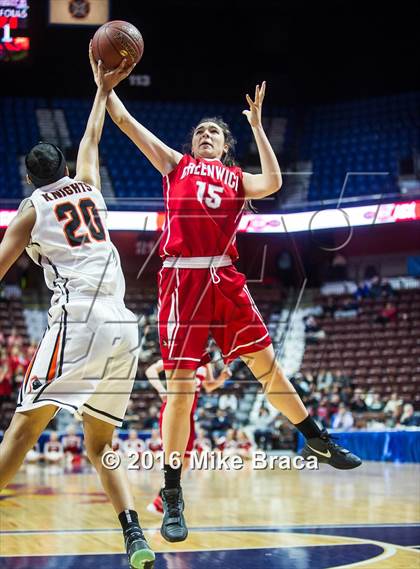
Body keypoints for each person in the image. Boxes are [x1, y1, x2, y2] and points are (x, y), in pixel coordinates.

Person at [96, 69, 362, 543]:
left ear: (224, 147)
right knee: (181, 391)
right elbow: (124, 121)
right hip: (182, 280)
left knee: (270, 369)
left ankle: (318, 439)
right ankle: (173, 495)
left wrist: (258, 126)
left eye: (213, 132)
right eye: (199, 131)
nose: (204, 135)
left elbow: (275, 182)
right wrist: (105, 82)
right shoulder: (174, 163)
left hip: (226, 277)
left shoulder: (238, 178)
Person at [0, 49, 155, 568]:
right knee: (100, 441)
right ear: (65, 169)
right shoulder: (89, 187)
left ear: (29, 180)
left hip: (80, 324)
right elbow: (92, 137)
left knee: (23, 429)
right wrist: (101, 87)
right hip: (123, 327)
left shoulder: (31, 208)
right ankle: (134, 533)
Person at [145, 358, 230, 514]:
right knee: (173, 457)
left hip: (189, 415)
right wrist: (161, 390)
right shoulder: (181, 353)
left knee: (186, 461)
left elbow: (209, 386)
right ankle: (165, 501)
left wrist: (222, 379)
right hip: (173, 410)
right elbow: (151, 370)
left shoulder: (207, 361)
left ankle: (161, 499)